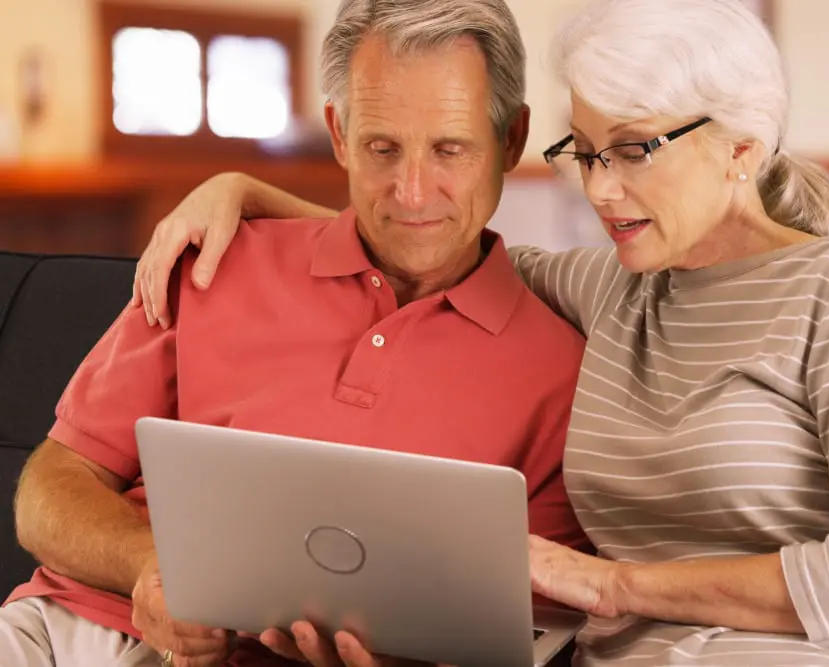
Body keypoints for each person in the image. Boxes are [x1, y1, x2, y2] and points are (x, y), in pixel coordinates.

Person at [132, 0, 829, 665]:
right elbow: (426, 226)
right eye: (588, 151)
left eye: (635, 150)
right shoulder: (612, 284)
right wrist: (243, 188)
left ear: (741, 149)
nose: (601, 191)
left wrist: (615, 584)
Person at [1, 1, 593, 665]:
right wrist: (156, 566)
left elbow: (522, 627)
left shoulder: (561, 376)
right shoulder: (217, 258)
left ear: (511, 140)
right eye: (382, 148)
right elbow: (49, 487)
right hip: (65, 627)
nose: (413, 191)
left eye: (450, 149)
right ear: (339, 134)